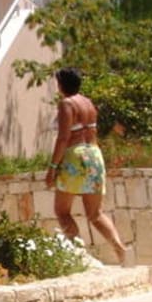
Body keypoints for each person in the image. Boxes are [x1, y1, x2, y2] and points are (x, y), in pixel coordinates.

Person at [45, 67, 132, 265]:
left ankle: (79, 255)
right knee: (95, 214)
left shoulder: (67, 104)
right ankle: (120, 250)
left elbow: (63, 138)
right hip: (94, 155)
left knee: (62, 211)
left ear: (61, 85)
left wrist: (52, 167)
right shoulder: (89, 103)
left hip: (75, 157)